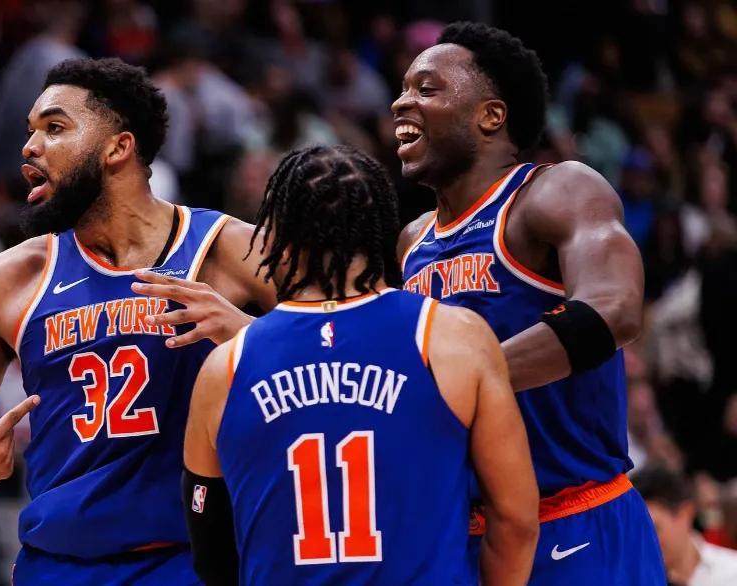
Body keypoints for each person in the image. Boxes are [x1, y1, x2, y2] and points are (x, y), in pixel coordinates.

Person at [0, 57, 275, 585]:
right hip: (58, 566)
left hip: (192, 560)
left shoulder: (227, 248)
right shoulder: (7, 280)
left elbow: (351, 347)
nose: (30, 148)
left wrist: (248, 334)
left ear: (118, 148)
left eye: (54, 128)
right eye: (30, 131)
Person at [182, 145, 539, 585]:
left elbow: (210, 550)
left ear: (273, 241)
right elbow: (516, 521)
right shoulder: (453, 338)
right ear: (381, 231)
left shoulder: (225, 368)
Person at [393, 22, 663, 584]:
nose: (401, 102)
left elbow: (614, 309)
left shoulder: (557, 190)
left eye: (427, 88)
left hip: (575, 521)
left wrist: (474, 377)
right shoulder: (412, 241)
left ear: (491, 115)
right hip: (464, 535)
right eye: (403, 88)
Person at [636, 467, 737, 585]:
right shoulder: (630, 578)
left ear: (685, 514)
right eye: (637, 534)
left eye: (654, 529)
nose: (645, 542)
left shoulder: (732, 572)